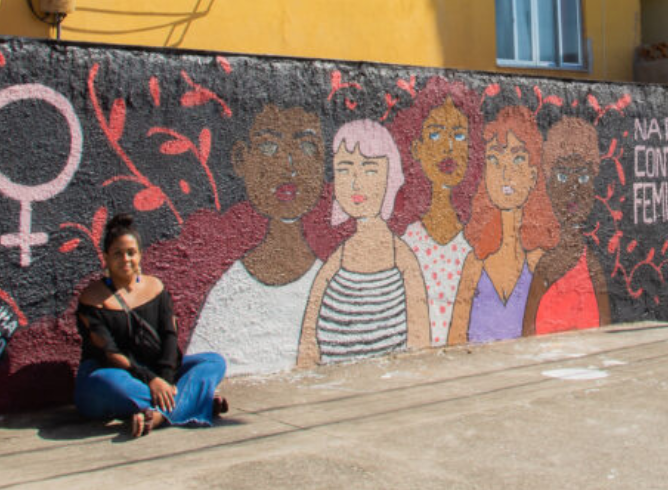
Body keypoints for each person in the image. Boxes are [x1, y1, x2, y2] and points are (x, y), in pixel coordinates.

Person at [187, 105, 327, 375]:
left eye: (307, 147)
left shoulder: (333, 279)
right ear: (241, 159)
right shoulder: (229, 291)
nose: (289, 165)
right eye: (268, 147)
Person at [75, 213, 228, 438]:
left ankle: (158, 414)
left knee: (213, 362)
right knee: (108, 382)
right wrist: (152, 381)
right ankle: (192, 400)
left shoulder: (156, 288)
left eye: (131, 253)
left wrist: (165, 378)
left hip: (157, 373)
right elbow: (110, 354)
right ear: (106, 257)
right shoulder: (92, 300)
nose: (126, 259)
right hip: (114, 378)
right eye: (118, 253)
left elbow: (170, 336)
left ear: (140, 255)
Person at [297, 120, 428, 366]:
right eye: (345, 170)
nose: (356, 182)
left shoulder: (402, 259)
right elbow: (308, 343)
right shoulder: (335, 263)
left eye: (370, 170)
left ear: (390, 177)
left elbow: (420, 338)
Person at [448, 105, 558, 345]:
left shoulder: (540, 261)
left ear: (533, 175)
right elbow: (455, 337)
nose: (505, 172)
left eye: (518, 158)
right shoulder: (475, 263)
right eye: (494, 159)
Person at [389, 78, 483, 345]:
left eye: (459, 135)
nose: (448, 147)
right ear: (417, 148)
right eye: (434, 133)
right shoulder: (406, 242)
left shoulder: (475, 241)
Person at [523, 117, 611, 336]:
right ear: (549, 185)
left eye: (582, 177)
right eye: (562, 176)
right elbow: (527, 335)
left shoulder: (592, 268)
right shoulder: (543, 267)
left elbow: (607, 337)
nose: (573, 188)